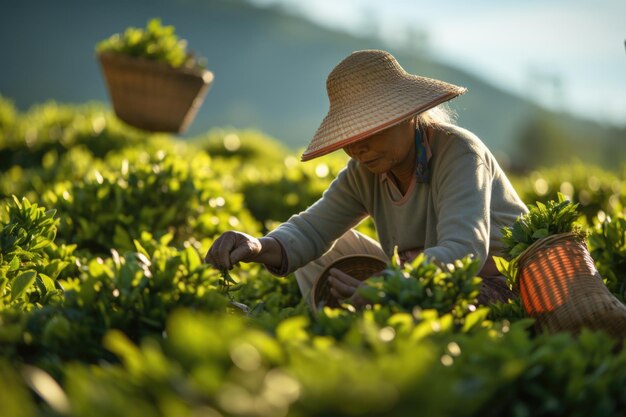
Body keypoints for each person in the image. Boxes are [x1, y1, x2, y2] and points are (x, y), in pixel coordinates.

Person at [205, 49, 528, 308]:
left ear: (406, 117)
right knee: (319, 251)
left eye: (370, 131)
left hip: (497, 288)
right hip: (413, 278)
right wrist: (256, 246)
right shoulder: (365, 172)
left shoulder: (459, 152)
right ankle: (345, 325)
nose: (358, 148)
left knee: (434, 300)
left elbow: (463, 252)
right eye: (349, 137)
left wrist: (390, 284)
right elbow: (310, 230)